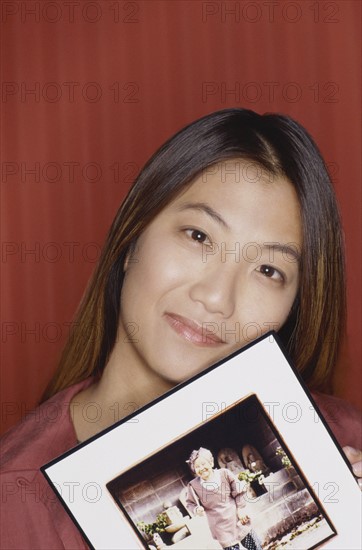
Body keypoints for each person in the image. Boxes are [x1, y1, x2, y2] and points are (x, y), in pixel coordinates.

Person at [1, 108, 361, 549]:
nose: (217, 297)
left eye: (268, 269)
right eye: (198, 236)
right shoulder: (14, 500)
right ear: (132, 238)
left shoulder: (345, 441)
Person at [186, 447, 262, 550]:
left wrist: (241, 508)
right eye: (197, 466)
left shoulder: (224, 474)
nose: (201, 468)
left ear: (211, 462)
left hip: (237, 517)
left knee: (255, 547)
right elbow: (190, 503)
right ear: (194, 470)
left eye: (204, 464)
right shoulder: (193, 486)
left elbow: (238, 490)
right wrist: (196, 509)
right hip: (220, 527)